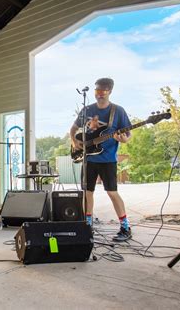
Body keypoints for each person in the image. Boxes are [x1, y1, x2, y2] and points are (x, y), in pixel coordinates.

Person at [70, 77, 132, 241]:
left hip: (108, 159)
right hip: (88, 158)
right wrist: (74, 141)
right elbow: (74, 128)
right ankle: (87, 224)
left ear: (110, 91)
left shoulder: (117, 111)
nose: (99, 94)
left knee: (112, 192)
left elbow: (127, 136)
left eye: (103, 90)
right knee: (87, 192)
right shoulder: (87, 110)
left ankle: (125, 227)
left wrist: (122, 139)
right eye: (97, 90)